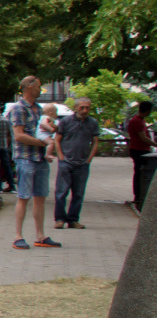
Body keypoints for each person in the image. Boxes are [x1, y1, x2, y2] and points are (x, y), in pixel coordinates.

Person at [7, 76, 59, 249]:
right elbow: (18, 135)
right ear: (29, 87)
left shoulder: (39, 109)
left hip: (40, 159)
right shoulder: (18, 108)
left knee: (40, 197)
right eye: (38, 86)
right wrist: (42, 143)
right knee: (23, 197)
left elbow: (44, 129)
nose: (40, 89)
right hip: (25, 158)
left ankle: (40, 236)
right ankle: (18, 236)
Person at [53, 97, 101, 230]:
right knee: (61, 192)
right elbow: (57, 139)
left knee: (78, 194)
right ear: (75, 108)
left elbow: (95, 142)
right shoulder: (66, 121)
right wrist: (61, 157)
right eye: (82, 107)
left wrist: (89, 160)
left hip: (82, 164)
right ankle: (60, 219)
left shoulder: (93, 123)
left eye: (87, 108)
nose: (85, 110)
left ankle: (73, 220)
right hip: (66, 163)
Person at [128, 100, 155, 210]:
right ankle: (139, 197)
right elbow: (143, 138)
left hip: (140, 149)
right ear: (147, 111)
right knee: (140, 174)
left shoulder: (140, 120)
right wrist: (155, 144)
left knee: (140, 173)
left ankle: (140, 196)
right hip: (139, 150)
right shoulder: (137, 121)